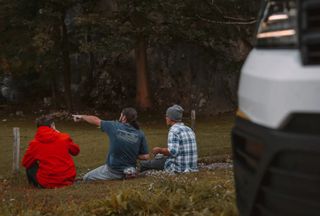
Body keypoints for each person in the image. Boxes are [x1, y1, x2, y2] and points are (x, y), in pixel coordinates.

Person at [73, 107, 149, 181]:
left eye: (121, 115)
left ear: (124, 117)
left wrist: (81, 117)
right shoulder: (140, 133)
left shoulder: (114, 126)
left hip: (113, 170)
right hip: (130, 167)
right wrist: (131, 153)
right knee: (127, 169)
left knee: (87, 177)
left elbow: (95, 120)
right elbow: (145, 156)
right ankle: (129, 173)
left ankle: (119, 175)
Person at [22, 115, 80, 188]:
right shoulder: (64, 137)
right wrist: (60, 134)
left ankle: (34, 185)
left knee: (30, 164)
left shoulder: (34, 143)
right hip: (68, 180)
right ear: (52, 125)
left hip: (46, 183)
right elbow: (76, 151)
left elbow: (25, 163)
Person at [140, 105, 198, 173]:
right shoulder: (189, 129)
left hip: (178, 168)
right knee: (161, 158)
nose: (166, 118)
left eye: (167, 116)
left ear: (171, 118)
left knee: (146, 164)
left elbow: (173, 152)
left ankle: (140, 174)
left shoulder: (174, 130)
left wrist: (159, 150)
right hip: (192, 167)